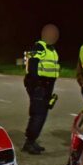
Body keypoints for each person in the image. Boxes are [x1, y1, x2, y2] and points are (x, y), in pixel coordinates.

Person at [23, 24, 60, 155]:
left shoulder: (52, 49)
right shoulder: (39, 46)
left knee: (42, 114)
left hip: (47, 86)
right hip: (40, 85)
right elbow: (33, 64)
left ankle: (32, 141)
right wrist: (36, 85)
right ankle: (29, 142)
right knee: (37, 114)